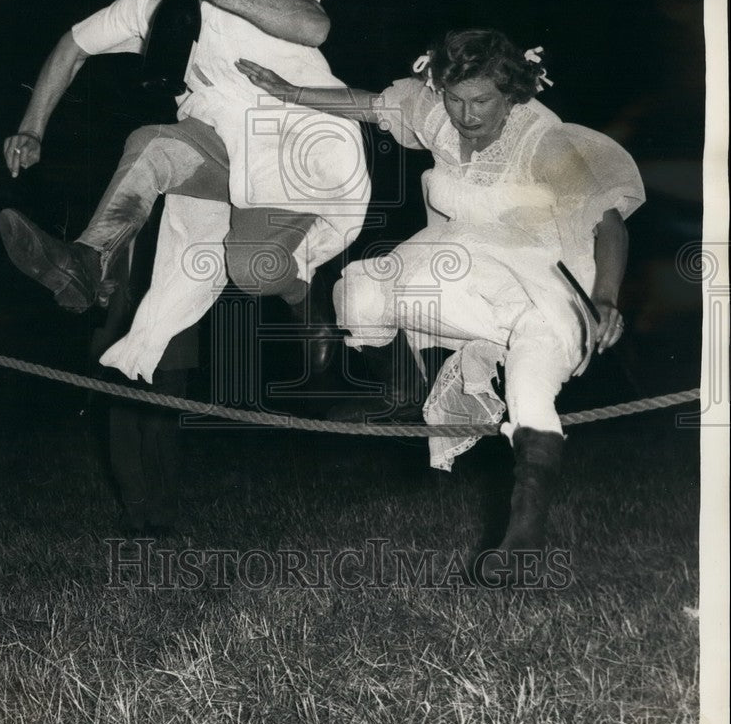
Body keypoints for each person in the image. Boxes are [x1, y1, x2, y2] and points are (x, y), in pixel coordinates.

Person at [236, 28, 645, 562]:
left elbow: (610, 225)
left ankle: (522, 540)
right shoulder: (437, 116)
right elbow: (371, 105)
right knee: (362, 288)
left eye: (482, 102)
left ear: (513, 94)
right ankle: (401, 391)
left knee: (530, 387)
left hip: (546, 286)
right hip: (465, 271)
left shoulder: (545, 142)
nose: (467, 115)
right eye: (456, 99)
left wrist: (607, 298)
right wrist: (289, 92)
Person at [0, 0, 370, 386]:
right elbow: (72, 46)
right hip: (221, 147)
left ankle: (303, 302)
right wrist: (32, 127)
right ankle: (86, 260)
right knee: (151, 143)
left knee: (251, 270)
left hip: (301, 144)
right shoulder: (145, 5)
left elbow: (314, 26)